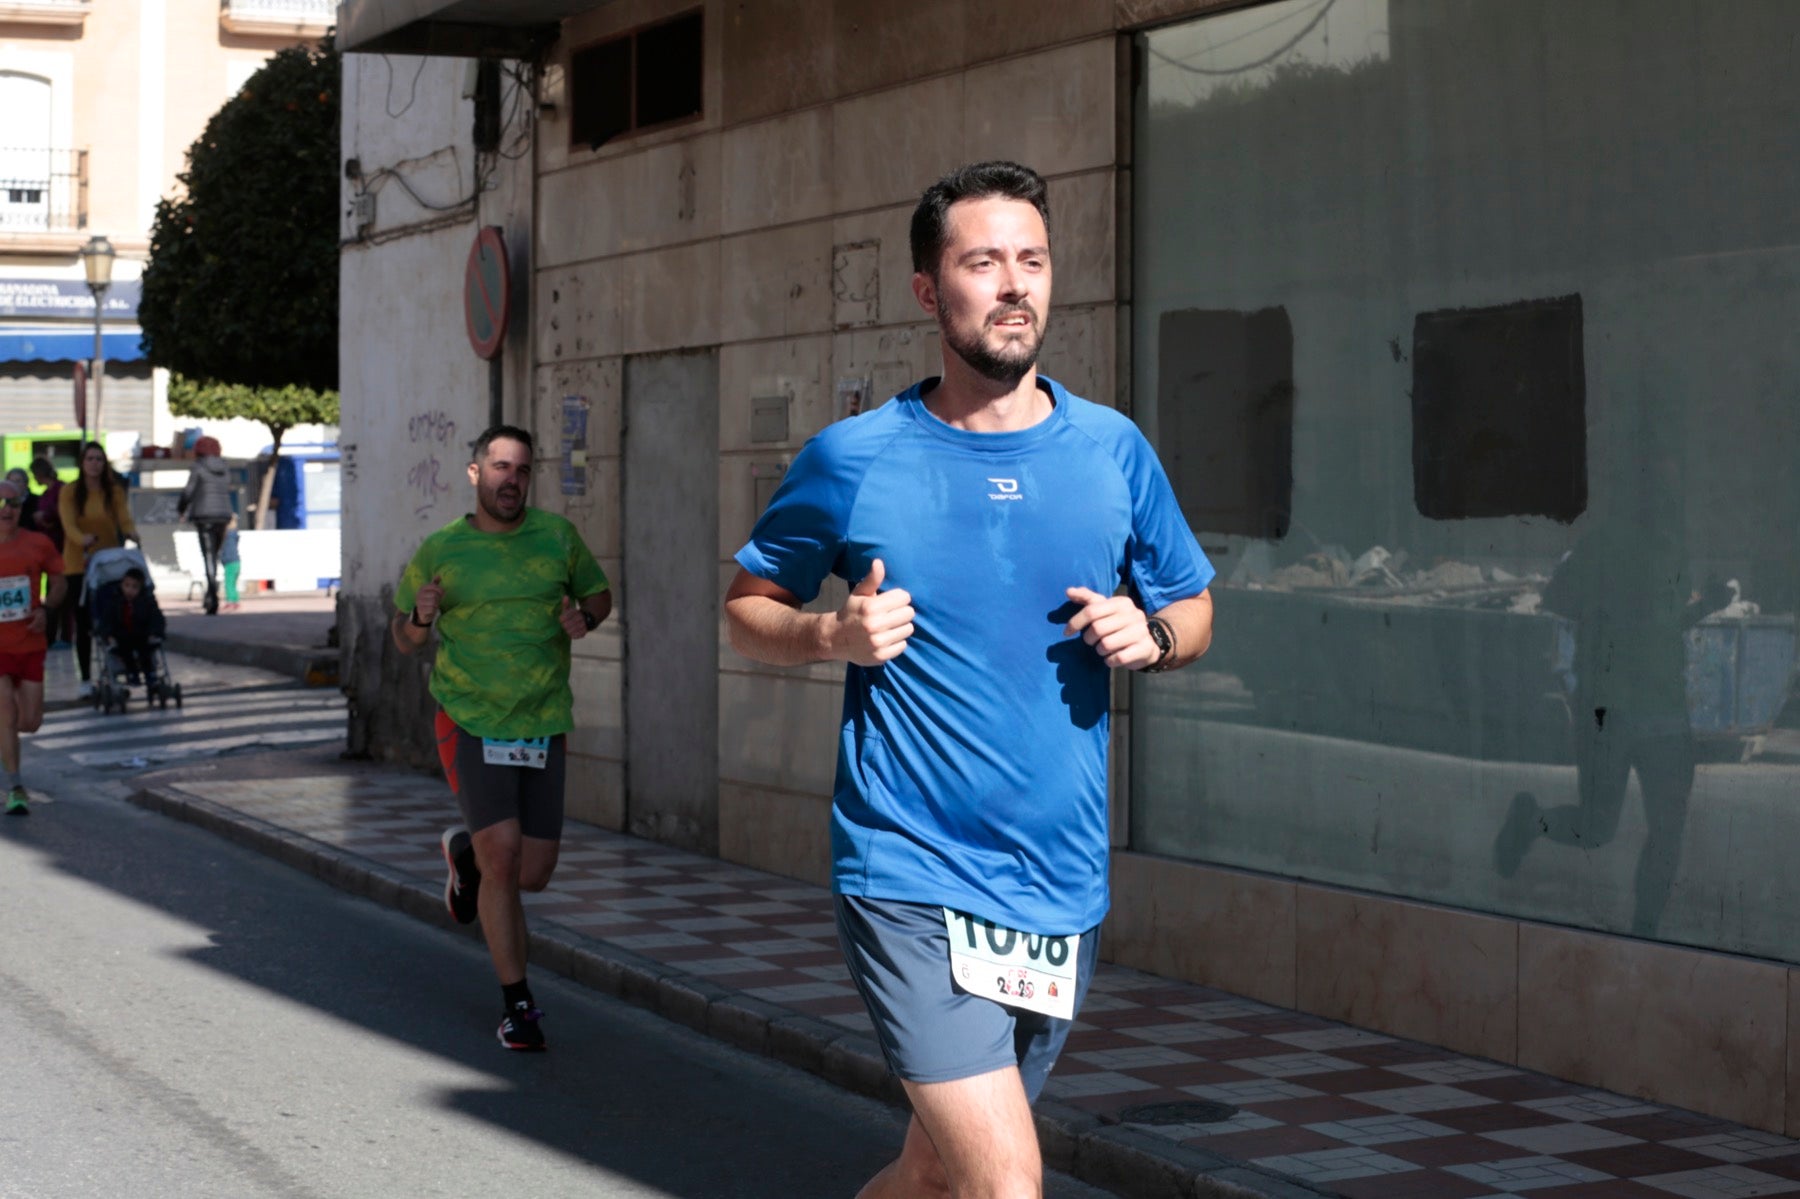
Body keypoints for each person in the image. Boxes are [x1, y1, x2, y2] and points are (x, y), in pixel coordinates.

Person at [724, 161, 1215, 1198]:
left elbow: (1196, 606)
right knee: (1006, 1181)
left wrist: (1155, 634)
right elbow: (744, 605)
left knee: (934, 1171)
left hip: (1058, 883)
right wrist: (829, 636)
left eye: (1031, 260)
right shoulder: (852, 456)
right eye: (983, 261)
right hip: (908, 868)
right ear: (926, 289)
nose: (1013, 284)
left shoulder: (1113, 450)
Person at [392, 424, 612, 1051]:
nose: (510, 479)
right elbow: (403, 639)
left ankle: (464, 855)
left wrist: (584, 617)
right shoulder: (443, 549)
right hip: (469, 717)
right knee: (506, 859)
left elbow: (599, 594)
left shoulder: (557, 538)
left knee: (533, 873)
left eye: (520, 469)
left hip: (542, 721)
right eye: (498, 467)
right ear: (475, 474)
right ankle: (518, 1007)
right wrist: (419, 618)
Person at [0, 475, 67, 815]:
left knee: (30, 722)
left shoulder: (38, 543)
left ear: (21, 506)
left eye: (12, 503)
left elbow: (58, 582)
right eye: (1, 503)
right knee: (6, 716)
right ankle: (15, 788)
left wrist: (47, 609)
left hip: (29, 644)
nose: (6, 510)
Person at [58, 441, 137, 700]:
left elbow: (124, 518)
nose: (94, 464)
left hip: (107, 563)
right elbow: (68, 525)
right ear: (82, 463)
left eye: (99, 459)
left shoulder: (112, 491)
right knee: (83, 623)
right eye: (90, 459)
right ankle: (85, 678)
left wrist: (132, 534)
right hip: (78, 563)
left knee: (113, 617)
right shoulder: (70, 492)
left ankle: (115, 669)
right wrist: (83, 539)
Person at [177, 435, 234, 615]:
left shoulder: (199, 467)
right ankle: (211, 594)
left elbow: (188, 491)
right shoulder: (224, 468)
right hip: (223, 515)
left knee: (208, 556)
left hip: (204, 515)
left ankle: (212, 596)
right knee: (215, 555)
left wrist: (181, 509)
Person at [93, 566, 167, 686]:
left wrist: (155, 632)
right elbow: (107, 621)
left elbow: (156, 618)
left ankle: (150, 673)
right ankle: (132, 673)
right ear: (121, 585)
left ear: (141, 588)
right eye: (126, 585)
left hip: (142, 635)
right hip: (122, 636)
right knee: (124, 649)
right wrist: (108, 635)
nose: (129, 590)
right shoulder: (114, 602)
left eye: (134, 587)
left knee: (146, 649)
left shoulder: (146, 602)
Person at [27, 459, 68, 647]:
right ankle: (50, 634)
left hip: (60, 547)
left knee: (60, 591)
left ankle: (63, 635)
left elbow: (62, 514)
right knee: (52, 591)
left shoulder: (60, 490)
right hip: (47, 549)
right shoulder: (46, 493)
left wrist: (46, 517)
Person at [219, 514, 242, 611]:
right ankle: (236, 600)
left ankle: (230, 601)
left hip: (229, 561)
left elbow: (224, 549)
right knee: (233, 583)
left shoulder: (226, 534)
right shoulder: (235, 533)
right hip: (236, 561)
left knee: (228, 583)